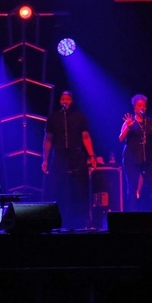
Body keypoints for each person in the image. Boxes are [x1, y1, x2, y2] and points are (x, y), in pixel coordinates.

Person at [42, 90, 97, 230]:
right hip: (59, 157)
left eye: (68, 98)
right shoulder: (53, 117)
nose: (65, 100)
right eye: (63, 98)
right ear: (60, 101)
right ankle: (59, 222)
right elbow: (48, 139)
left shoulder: (79, 117)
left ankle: (81, 222)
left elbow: (85, 137)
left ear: (72, 101)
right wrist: (45, 159)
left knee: (79, 190)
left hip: (77, 156)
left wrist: (92, 156)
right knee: (59, 190)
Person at [118, 93, 152, 212]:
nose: (142, 108)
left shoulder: (150, 123)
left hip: (146, 159)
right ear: (134, 108)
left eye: (143, 106)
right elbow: (121, 139)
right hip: (131, 159)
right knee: (132, 187)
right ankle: (133, 213)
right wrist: (127, 127)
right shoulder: (129, 121)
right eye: (139, 106)